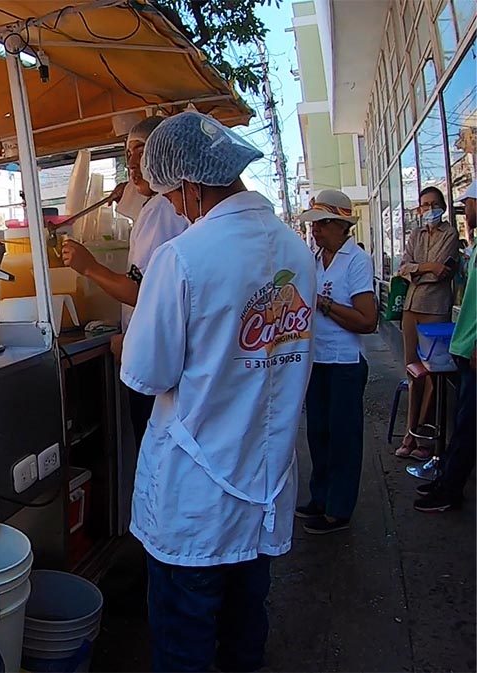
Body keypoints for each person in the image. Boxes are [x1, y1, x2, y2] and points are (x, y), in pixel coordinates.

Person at [122, 111, 315, 672]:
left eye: (173, 198)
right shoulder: (297, 253)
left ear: (189, 184)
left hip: (197, 499)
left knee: (184, 647)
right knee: (243, 641)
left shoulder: (183, 257)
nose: (176, 210)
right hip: (263, 488)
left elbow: (147, 374)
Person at [63, 115, 188, 443]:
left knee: (155, 446)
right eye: (127, 153)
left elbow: (143, 292)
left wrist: (88, 267)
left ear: (166, 154)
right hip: (153, 354)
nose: (131, 162)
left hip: (156, 359)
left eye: (141, 151)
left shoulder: (163, 209)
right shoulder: (154, 206)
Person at [294, 190, 378, 534]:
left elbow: (367, 320)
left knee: (343, 437)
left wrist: (324, 305)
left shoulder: (356, 260)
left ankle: (339, 508)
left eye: (323, 224)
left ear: (342, 226)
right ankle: (321, 496)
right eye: (314, 225)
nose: (316, 231)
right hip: (318, 361)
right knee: (319, 433)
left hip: (344, 362)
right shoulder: (314, 260)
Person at [414, 183, 477, 512]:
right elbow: (410, 268)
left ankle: (450, 489)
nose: (465, 208)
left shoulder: (454, 238)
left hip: (473, 348)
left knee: (468, 426)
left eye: (469, 202)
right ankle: (447, 481)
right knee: (462, 420)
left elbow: (436, 271)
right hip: (463, 346)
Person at [395, 186, 461, 460]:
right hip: (411, 306)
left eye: (433, 204)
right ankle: (409, 432)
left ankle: (424, 438)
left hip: (435, 308)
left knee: (433, 375)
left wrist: (420, 269)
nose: (429, 209)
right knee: (414, 372)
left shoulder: (451, 234)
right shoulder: (416, 234)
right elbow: (403, 268)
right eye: (424, 205)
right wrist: (426, 268)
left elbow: (441, 273)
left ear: (443, 206)